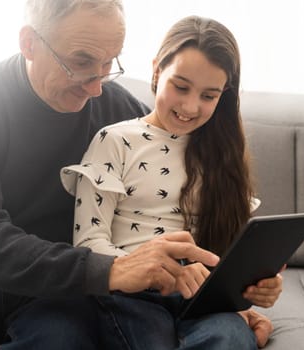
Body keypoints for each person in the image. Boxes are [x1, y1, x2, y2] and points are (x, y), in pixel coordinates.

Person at [0, 1, 278, 349]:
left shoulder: (118, 112)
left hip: (59, 291)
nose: (96, 87)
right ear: (29, 43)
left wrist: (226, 298)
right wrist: (112, 271)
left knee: (64, 341)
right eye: (80, 63)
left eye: (108, 64)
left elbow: (171, 212)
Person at [61, 15, 282, 349]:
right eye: (180, 87)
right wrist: (147, 270)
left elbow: (225, 253)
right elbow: (89, 242)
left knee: (231, 337)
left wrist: (257, 285)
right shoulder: (115, 141)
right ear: (156, 69)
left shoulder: (222, 155)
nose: (190, 106)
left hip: (200, 298)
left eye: (209, 96)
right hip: (131, 294)